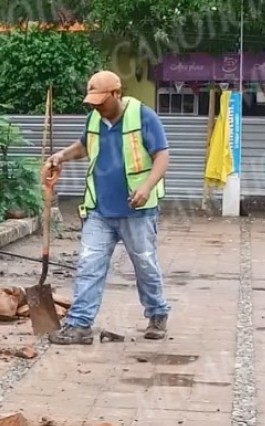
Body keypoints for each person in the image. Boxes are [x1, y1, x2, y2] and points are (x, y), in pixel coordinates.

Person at [42, 70, 171, 345]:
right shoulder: (94, 119)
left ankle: (157, 314)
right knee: (89, 264)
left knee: (145, 264)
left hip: (137, 210)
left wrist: (146, 187)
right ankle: (80, 325)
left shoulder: (143, 116)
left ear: (116, 93)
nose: (97, 107)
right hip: (100, 210)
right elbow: (85, 145)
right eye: (93, 103)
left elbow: (162, 155)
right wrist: (61, 156)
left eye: (102, 101)